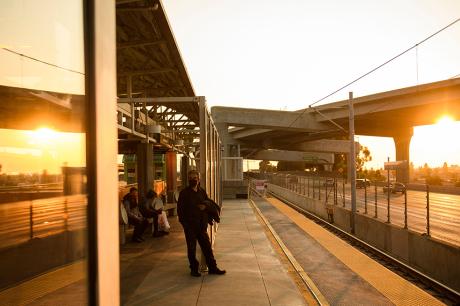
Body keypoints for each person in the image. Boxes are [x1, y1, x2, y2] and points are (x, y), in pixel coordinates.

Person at [177, 170, 226, 277]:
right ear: (188, 179)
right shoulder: (184, 193)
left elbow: (208, 203)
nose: (193, 180)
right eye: (191, 178)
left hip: (201, 226)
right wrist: (185, 225)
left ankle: (213, 268)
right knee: (191, 249)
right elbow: (180, 211)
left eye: (195, 178)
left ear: (198, 179)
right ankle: (194, 269)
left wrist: (205, 207)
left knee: (207, 247)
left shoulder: (202, 192)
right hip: (190, 227)